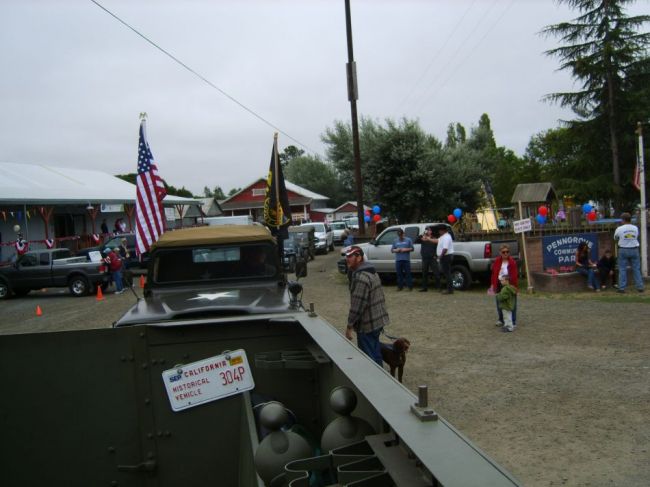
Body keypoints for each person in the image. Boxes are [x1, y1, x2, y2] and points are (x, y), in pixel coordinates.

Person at [344, 246, 390, 365]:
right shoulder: (371, 271)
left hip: (368, 324)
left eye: (350, 256)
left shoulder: (362, 277)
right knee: (375, 352)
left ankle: (375, 382)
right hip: (377, 320)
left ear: (359, 257)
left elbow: (357, 305)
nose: (347, 259)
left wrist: (349, 326)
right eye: (346, 256)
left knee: (369, 359)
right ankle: (381, 378)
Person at [613, 212, 644, 293]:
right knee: (636, 269)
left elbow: (615, 238)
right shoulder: (635, 228)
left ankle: (622, 288)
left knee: (622, 269)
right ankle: (640, 286)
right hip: (634, 249)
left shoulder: (619, 229)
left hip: (623, 249)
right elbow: (636, 236)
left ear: (623, 220)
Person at [490, 244, 518, 327]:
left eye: (507, 252)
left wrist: (513, 288)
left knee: (511, 303)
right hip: (499, 284)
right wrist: (493, 285)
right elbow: (494, 273)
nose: (505, 253)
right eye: (503, 252)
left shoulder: (512, 262)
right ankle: (501, 319)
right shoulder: (497, 261)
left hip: (509, 285)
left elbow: (514, 276)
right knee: (499, 302)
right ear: (500, 252)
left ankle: (513, 321)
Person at [419, 226, 440, 292]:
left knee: (436, 273)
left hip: (432, 258)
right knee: (424, 274)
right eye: (426, 230)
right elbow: (416, 240)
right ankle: (424, 288)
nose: (428, 231)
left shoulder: (434, 239)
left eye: (429, 230)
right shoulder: (423, 238)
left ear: (431, 231)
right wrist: (423, 234)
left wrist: (436, 255)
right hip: (425, 258)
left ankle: (438, 287)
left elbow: (438, 247)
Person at [437, 225, 454, 294]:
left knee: (447, 273)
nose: (439, 231)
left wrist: (440, 256)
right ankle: (449, 288)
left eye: (440, 230)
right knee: (446, 272)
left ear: (443, 230)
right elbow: (437, 240)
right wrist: (428, 239)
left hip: (446, 256)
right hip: (445, 256)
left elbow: (445, 249)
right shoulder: (442, 237)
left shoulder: (446, 237)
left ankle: (450, 289)